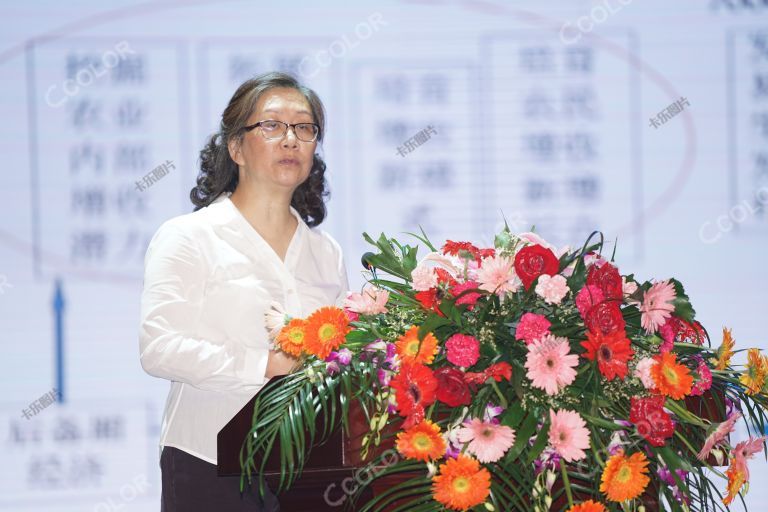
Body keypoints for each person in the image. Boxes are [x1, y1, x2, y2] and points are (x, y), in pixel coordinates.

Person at [138, 71, 349, 511]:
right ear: (236, 147)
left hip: (308, 468)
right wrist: (264, 364)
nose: (291, 139)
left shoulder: (326, 252)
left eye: (305, 128)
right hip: (208, 462)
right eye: (271, 126)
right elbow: (159, 347)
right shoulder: (189, 236)